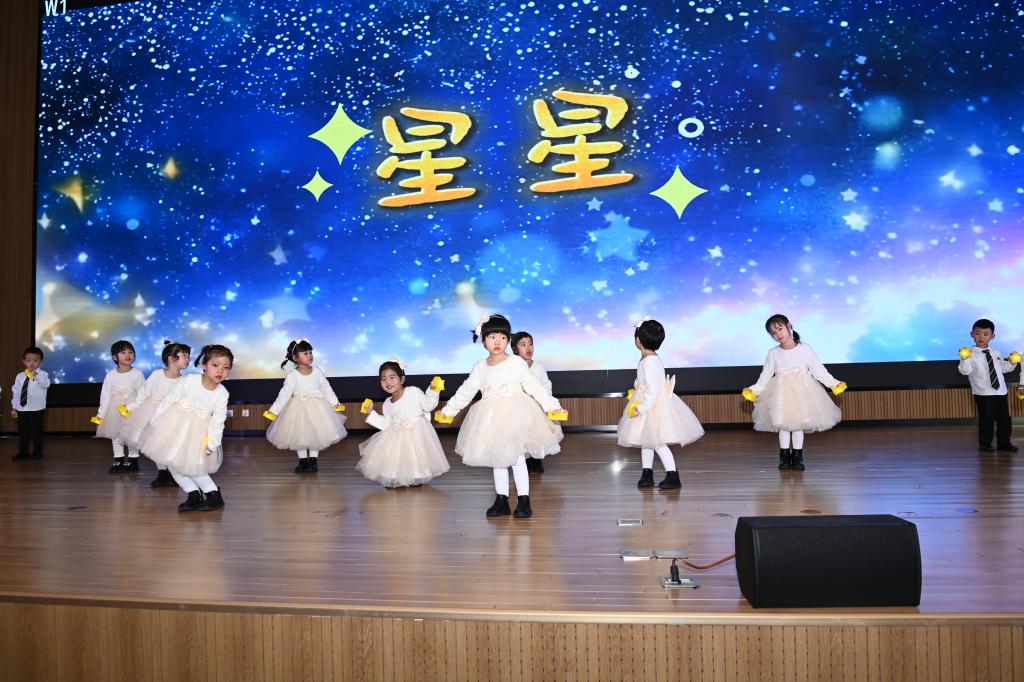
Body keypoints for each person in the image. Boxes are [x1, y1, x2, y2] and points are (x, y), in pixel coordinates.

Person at [436, 314, 567, 519]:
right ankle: (501, 499)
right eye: (492, 337)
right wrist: (448, 411)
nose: (497, 342)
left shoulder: (515, 362)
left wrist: (552, 405)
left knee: (517, 458)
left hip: (516, 414)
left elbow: (533, 386)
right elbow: (466, 391)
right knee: (497, 459)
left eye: (502, 337)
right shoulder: (480, 367)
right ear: (483, 340)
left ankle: (523, 499)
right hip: (490, 418)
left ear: (507, 340)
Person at [743, 314, 846, 471]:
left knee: (798, 424)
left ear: (789, 326)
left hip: (802, 392)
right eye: (773, 333)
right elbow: (765, 376)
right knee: (783, 424)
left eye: (780, 329)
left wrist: (834, 383)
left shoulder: (805, 349)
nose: (778, 334)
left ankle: (798, 457)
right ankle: (784, 457)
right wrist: (754, 389)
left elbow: (818, 370)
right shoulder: (773, 353)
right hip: (781, 394)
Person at [141, 344, 232, 512]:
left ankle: (213, 495)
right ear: (204, 366)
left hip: (197, 435)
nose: (220, 370)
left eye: (226, 368)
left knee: (193, 465)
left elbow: (218, 421)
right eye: (215, 365)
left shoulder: (222, 393)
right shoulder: (190, 380)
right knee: (172, 462)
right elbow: (168, 401)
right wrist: (155, 421)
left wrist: (212, 443)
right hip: (175, 427)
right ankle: (193, 494)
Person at [617, 318, 704, 489]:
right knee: (646, 440)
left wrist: (641, 408)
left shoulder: (649, 362)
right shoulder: (650, 359)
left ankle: (673, 475)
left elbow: (652, 390)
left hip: (652, 406)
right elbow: (646, 383)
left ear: (638, 341)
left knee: (656, 442)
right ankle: (647, 473)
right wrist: (637, 389)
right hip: (650, 402)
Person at [357, 358, 450, 488]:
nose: (388, 382)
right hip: (396, 435)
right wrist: (371, 413)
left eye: (392, 377)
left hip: (416, 432)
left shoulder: (413, 391)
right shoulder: (387, 403)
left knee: (415, 456)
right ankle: (395, 478)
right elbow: (386, 425)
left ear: (402, 379)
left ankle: (415, 477)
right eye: (383, 379)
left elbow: (428, 405)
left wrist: (433, 390)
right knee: (395, 457)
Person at [263, 338, 347, 473]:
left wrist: (335, 403)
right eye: (305, 353)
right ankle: (302, 461)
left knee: (317, 432)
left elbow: (326, 388)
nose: (310, 355)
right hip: (298, 410)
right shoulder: (292, 375)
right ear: (295, 358)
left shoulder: (317, 371)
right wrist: (274, 411)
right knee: (299, 434)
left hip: (318, 408)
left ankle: (313, 461)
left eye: (310, 352)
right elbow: (284, 394)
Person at [118, 340, 191, 487]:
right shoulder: (157, 375)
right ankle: (162, 472)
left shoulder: (185, 380)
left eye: (188, 356)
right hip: (153, 415)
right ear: (171, 358)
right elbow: (143, 393)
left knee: (171, 445)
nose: (188, 359)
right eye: (184, 356)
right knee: (156, 444)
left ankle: (173, 474)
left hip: (174, 417)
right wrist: (131, 407)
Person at [957, 318, 1020, 453]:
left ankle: (1004, 444)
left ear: (992, 336)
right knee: (986, 421)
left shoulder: (996, 352)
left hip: (1000, 392)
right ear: (972, 334)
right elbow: (965, 371)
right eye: (978, 333)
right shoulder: (969, 354)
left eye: (985, 334)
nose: (981, 337)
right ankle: (985, 444)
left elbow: (1003, 368)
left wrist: (1012, 362)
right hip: (983, 393)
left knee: (1004, 420)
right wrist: (965, 359)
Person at [92, 340, 145, 473]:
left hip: (131, 410)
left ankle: (133, 460)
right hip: (114, 411)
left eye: (130, 352)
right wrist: (101, 414)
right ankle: (118, 459)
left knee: (132, 435)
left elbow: (142, 394)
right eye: (123, 352)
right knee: (115, 435)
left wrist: (135, 408)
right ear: (115, 357)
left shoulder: (137, 373)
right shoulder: (111, 374)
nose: (128, 355)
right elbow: (105, 395)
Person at [510, 330, 556, 474]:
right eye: (523, 344)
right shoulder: (511, 367)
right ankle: (521, 461)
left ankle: (535, 460)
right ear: (515, 349)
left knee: (536, 435)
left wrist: (547, 403)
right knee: (520, 436)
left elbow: (546, 386)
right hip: (517, 408)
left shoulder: (539, 367)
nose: (528, 348)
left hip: (536, 407)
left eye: (530, 344)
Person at [11, 346, 50, 461]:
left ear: (40, 362)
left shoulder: (43, 375)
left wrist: (36, 374)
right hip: (21, 408)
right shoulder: (20, 376)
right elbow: (16, 392)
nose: (32, 363)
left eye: (35, 360)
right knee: (23, 431)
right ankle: (23, 452)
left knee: (36, 432)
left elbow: (45, 384)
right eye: (28, 360)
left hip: (36, 408)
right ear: (24, 361)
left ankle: (37, 452)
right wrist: (14, 406)